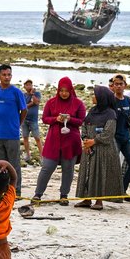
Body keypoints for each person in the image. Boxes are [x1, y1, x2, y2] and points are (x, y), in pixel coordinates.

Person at [32, 77, 86, 205]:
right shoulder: (51, 102)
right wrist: (56, 119)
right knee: (47, 167)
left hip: (71, 142)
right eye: (61, 90)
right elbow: (44, 118)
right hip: (54, 140)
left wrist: (69, 119)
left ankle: (64, 195)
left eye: (66, 91)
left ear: (71, 90)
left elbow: (81, 121)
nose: (64, 93)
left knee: (68, 169)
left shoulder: (78, 103)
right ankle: (38, 194)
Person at [74, 85, 124, 210]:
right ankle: (86, 199)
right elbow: (84, 125)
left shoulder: (111, 114)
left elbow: (109, 133)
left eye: (95, 95)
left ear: (102, 98)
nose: (93, 97)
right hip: (89, 148)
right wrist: (85, 140)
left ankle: (99, 201)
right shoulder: (92, 111)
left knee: (100, 173)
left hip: (103, 149)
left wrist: (94, 141)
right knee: (87, 172)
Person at [0, 64, 27, 196]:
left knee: (14, 164)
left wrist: (18, 124)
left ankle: (16, 191)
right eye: (4, 75)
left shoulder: (16, 92)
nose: (7, 77)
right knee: (0, 165)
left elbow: (24, 110)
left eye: (9, 74)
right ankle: (3, 190)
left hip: (12, 135)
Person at [112, 74, 130, 202]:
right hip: (114, 138)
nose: (118, 86)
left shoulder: (128, 100)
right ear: (113, 86)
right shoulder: (110, 100)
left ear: (125, 86)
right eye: (116, 84)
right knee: (114, 165)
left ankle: (123, 190)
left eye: (120, 84)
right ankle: (113, 192)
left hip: (126, 137)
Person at [21, 79, 42, 163]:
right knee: (25, 137)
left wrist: (32, 94)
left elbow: (36, 102)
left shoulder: (37, 93)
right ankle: (27, 155)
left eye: (30, 84)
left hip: (33, 120)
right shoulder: (23, 95)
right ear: (24, 86)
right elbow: (23, 106)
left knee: (37, 138)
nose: (29, 86)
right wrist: (30, 103)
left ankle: (42, 156)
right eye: (27, 85)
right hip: (25, 119)